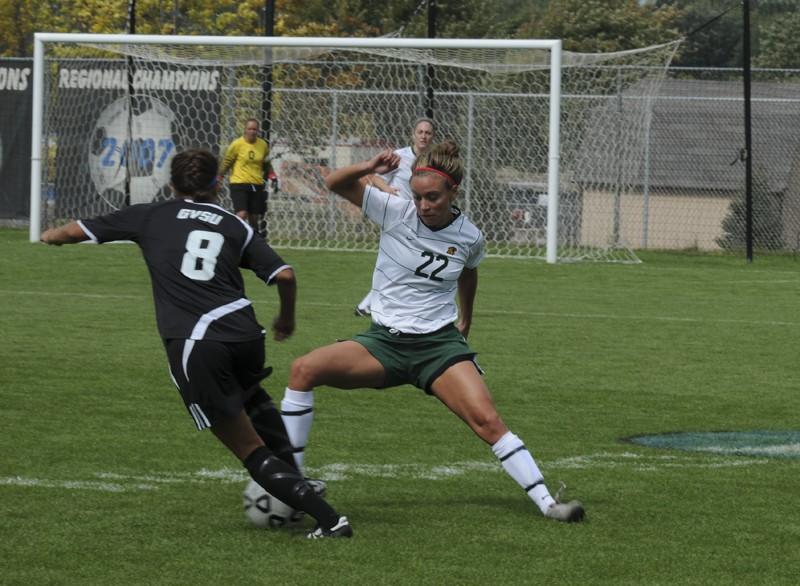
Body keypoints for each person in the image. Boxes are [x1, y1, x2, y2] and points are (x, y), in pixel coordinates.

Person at [40, 148, 352, 539]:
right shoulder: (233, 224)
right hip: (244, 333)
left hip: (197, 342)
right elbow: (285, 275)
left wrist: (51, 236)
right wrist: (286, 318)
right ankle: (295, 476)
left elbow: (77, 231)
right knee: (253, 397)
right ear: (217, 185)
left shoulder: (151, 215)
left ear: (171, 185)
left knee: (247, 447)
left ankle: (328, 519)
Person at [280, 142, 586, 525]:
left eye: (433, 197)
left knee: (487, 421)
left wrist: (467, 318)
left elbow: (469, 272)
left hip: (438, 348)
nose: (424, 205)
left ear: (453, 192)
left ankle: (549, 504)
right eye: (418, 196)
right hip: (383, 344)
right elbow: (334, 182)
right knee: (302, 370)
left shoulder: (470, 236)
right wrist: (369, 166)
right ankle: (290, 484)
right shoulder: (395, 211)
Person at [355, 117, 435, 317]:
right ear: (413, 135)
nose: (424, 136)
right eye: (421, 132)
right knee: (403, 261)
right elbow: (373, 176)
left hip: (420, 217)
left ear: (432, 136)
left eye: (428, 133)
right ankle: (370, 304)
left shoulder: (433, 160)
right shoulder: (399, 156)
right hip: (397, 216)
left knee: (401, 262)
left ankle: (369, 304)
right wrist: (388, 190)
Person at [218, 118, 278, 239]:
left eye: (254, 129)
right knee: (242, 213)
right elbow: (227, 162)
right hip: (239, 183)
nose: (252, 131)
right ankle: (230, 236)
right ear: (245, 130)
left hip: (256, 184)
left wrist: (273, 177)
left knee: (254, 217)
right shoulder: (236, 144)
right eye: (250, 129)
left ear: (258, 130)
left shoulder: (263, 145)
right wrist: (219, 176)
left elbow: (266, 163)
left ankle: (255, 240)